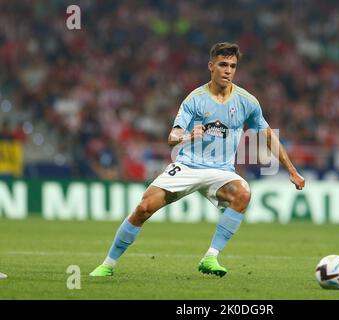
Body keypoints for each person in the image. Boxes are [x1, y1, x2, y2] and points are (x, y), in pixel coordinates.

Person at [89, 42, 305, 277]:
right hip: (188, 166)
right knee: (143, 208)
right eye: (223, 64)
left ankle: (211, 257)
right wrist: (188, 135)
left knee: (243, 193)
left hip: (221, 171)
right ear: (211, 66)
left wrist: (292, 170)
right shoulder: (195, 99)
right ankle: (108, 264)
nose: (228, 70)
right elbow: (172, 136)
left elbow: (268, 136)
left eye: (233, 66)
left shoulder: (247, 102)